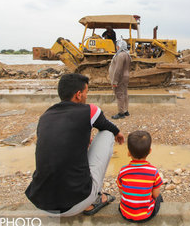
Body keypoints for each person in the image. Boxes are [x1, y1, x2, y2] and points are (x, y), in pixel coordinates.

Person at [25, 73, 125, 217]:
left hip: (42, 204)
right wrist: (118, 133)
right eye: (86, 92)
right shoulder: (89, 110)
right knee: (107, 135)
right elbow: (109, 127)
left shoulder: (45, 116)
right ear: (78, 94)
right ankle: (96, 197)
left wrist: (83, 140)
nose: (86, 96)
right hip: (74, 205)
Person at [116, 130, 163, 223]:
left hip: (125, 214)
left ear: (129, 152)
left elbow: (121, 191)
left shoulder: (123, 171)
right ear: (150, 151)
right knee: (159, 197)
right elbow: (155, 194)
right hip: (146, 216)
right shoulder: (153, 171)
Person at [109, 39, 131, 119]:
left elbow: (118, 69)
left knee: (119, 94)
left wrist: (115, 81)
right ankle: (126, 111)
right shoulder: (127, 54)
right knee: (124, 93)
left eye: (117, 46)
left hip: (120, 78)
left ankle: (121, 113)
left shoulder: (120, 55)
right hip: (125, 76)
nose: (116, 47)